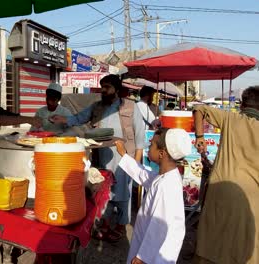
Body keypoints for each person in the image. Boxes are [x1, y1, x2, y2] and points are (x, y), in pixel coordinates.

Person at [50, 74, 145, 242]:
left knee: (123, 192)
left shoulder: (131, 107)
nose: (103, 90)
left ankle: (121, 225)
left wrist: (136, 162)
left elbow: (140, 135)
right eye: (102, 87)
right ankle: (105, 222)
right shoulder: (97, 107)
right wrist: (62, 118)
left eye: (107, 87)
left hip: (125, 156)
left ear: (116, 89)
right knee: (104, 190)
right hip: (103, 155)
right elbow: (78, 118)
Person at [193, 86, 259, 264]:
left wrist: (199, 138)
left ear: (242, 104)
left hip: (220, 189)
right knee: (243, 245)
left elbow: (198, 109)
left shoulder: (231, 118)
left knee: (212, 240)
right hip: (251, 198)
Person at [114, 128, 189, 264]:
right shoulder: (165, 176)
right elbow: (144, 175)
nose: (149, 146)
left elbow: (159, 226)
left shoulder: (167, 185)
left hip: (155, 254)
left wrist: (143, 257)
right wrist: (124, 155)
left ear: (162, 153)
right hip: (150, 246)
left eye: (152, 144)